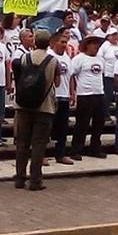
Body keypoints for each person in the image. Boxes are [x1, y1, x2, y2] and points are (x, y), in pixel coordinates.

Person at [12, 31, 60, 191]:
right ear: (49, 43)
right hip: (44, 106)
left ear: (34, 42)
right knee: (39, 144)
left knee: (22, 142)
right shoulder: (53, 60)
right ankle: (35, 180)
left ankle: (19, 177)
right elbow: (57, 82)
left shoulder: (25, 57)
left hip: (24, 105)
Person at [69, 35, 107, 160]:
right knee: (82, 124)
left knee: (99, 123)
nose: (96, 46)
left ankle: (95, 148)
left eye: (98, 44)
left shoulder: (101, 59)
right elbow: (71, 74)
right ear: (87, 45)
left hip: (99, 94)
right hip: (85, 95)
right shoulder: (79, 59)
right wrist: (72, 92)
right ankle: (76, 149)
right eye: (93, 44)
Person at [47, 31, 75, 165]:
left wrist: (72, 92)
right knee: (46, 127)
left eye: (66, 42)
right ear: (53, 43)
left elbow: (70, 76)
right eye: (62, 42)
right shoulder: (49, 56)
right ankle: (42, 155)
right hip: (51, 97)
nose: (64, 45)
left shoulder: (67, 58)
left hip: (64, 96)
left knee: (63, 128)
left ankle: (61, 154)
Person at [97, 28, 118, 110]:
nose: (115, 37)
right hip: (108, 74)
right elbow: (99, 57)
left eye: (116, 35)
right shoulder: (105, 46)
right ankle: (105, 113)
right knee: (108, 94)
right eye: (113, 35)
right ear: (108, 37)